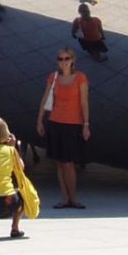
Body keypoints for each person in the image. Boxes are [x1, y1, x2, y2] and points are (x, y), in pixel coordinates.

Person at [35, 46, 90, 209]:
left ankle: (73, 198)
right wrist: (39, 120)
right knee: (59, 163)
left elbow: (84, 102)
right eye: (61, 59)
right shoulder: (53, 77)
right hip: (55, 122)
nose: (64, 62)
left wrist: (86, 124)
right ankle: (65, 198)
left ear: (73, 60)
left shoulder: (80, 77)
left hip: (73, 124)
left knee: (69, 163)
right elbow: (45, 99)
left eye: (67, 58)